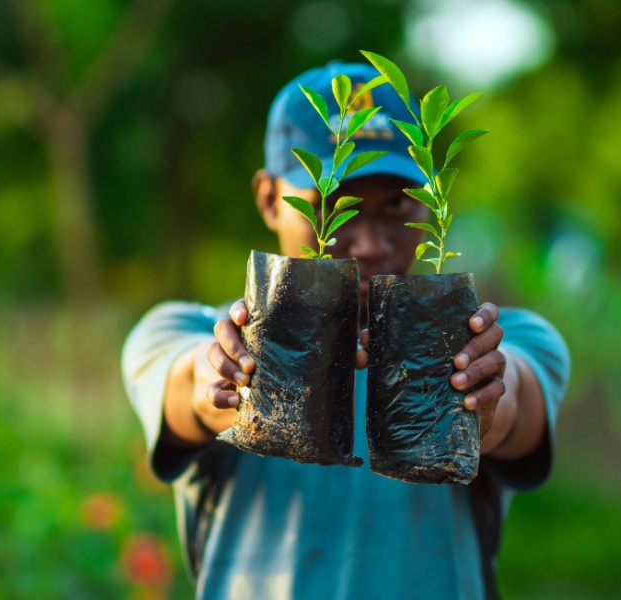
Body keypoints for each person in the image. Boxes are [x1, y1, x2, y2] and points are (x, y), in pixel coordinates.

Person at [122, 60, 570, 600]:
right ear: (269, 198)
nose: (372, 245)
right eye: (336, 207)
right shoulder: (186, 330)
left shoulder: (498, 341)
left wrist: (481, 398)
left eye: (399, 206)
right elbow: (190, 387)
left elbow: (513, 403)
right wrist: (227, 376)